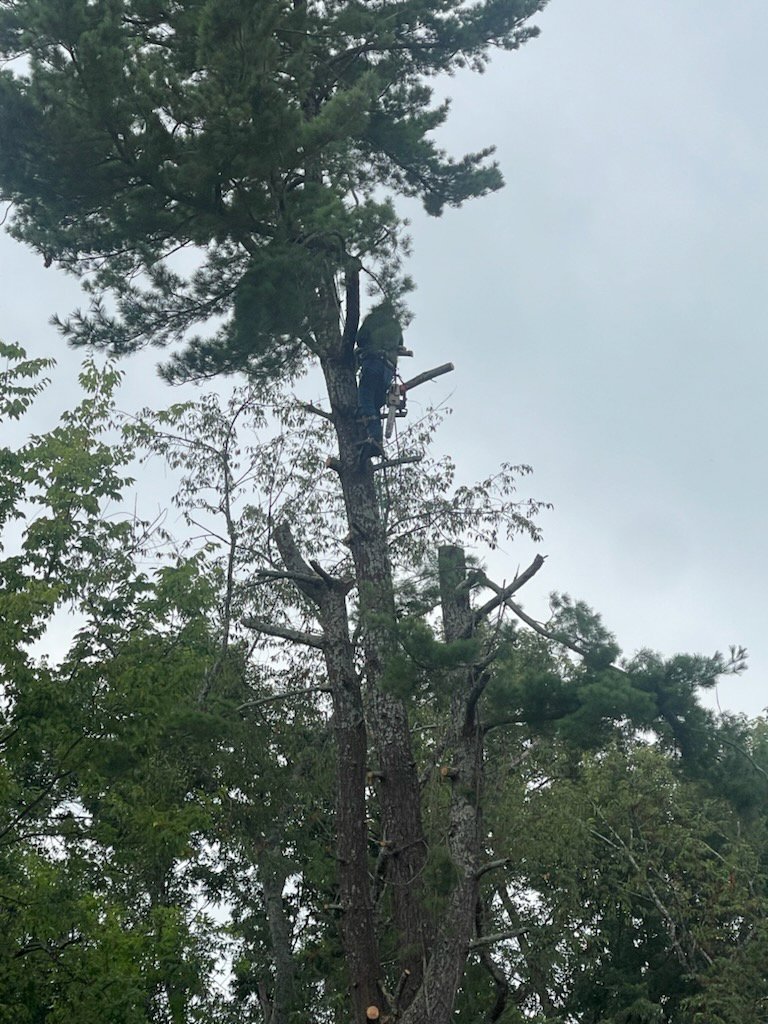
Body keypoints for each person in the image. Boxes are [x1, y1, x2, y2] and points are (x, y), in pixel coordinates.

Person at [355, 301, 403, 460]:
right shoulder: (396, 325)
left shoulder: (373, 319)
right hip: (388, 370)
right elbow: (400, 344)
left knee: (365, 398)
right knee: (375, 403)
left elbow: (360, 339)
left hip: (373, 362)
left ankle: (375, 437)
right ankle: (371, 436)